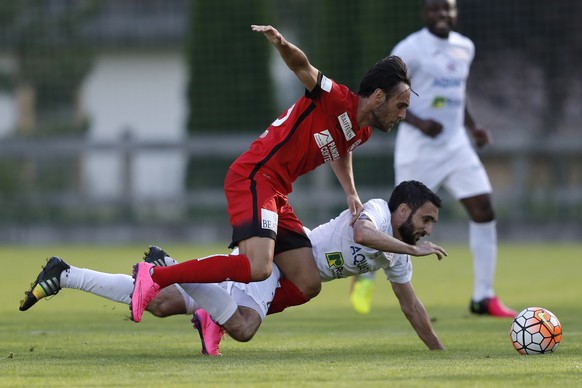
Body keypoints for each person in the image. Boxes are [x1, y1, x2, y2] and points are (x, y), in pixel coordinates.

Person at [128, 24, 413, 323]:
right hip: (254, 176)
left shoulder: (362, 131)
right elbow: (302, 66)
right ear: (378, 97)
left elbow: (341, 148)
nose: (404, 114)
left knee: (307, 281)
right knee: (258, 267)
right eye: (401, 105)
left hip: (277, 191)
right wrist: (280, 43)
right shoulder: (336, 98)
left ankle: (216, 315)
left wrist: (350, 191)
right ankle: (158, 275)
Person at [20, 180, 447, 354]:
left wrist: (439, 354)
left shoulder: (396, 253)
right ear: (404, 210)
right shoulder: (376, 211)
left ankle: (65, 274)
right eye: (425, 220)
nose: (427, 231)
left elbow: (412, 308)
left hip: (287, 286)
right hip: (281, 259)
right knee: (242, 328)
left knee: (164, 303)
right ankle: (171, 265)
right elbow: (362, 234)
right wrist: (416, 251)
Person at [349, 0, 515, 318]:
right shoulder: (410, 48)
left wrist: (472, 126)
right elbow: (383, 94)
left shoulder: (465, 47)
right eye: (435, 9)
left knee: (484, 209)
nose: (442, 14)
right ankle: (365, 273)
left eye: (448, 8)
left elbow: (458, 92)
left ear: (455, 13)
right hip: (418, 149)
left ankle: (483, 296)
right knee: (398, 222)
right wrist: (420, 122)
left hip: (456, 146)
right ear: (425, 13)